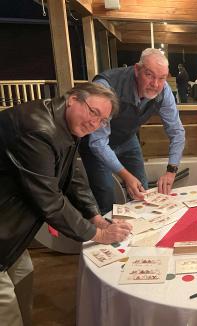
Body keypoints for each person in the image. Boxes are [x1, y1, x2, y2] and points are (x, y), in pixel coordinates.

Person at [0, 83, 132, 326]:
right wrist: (97, 234)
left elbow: (72, 176)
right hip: (5, 224)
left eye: (102, 120)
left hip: (10, 230)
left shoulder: (65, 123)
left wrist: (94, 216)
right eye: (93, 112)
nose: (95, 123)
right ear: (72, 99)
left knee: (23, 278)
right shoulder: (38, 129)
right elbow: (49, 200)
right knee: (6, 309)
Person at [79, 48, 185, 214]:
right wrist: (126, 176)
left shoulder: (163, 91)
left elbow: (177, 132)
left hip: (127, 138)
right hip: (96, 143)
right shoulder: (106, 86)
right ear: (137, 69)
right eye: (149, 75)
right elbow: (98, 142)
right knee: (106, 194)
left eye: (162, 78)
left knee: (142, 192)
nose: (155, 84)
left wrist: (171, 171)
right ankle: (108, 236)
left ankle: (141, 235)